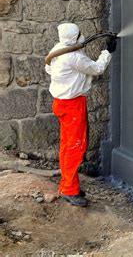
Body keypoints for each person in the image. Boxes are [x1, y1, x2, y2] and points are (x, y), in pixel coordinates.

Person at [45, 23, 117, 207]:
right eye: (79, 33)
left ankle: (68, 184)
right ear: (75, 37)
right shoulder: (73, 56)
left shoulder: (58, 49)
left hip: (61, 103)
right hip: (73, 105)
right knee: (76, 147)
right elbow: (97, 69)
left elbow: (49, 68)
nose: (82, 35)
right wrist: (108, 51)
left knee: (67, 145)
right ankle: (69, 190)